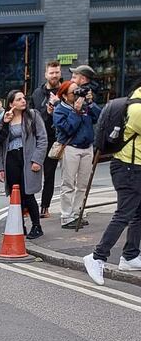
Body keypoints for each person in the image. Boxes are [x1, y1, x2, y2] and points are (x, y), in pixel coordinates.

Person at [83, 81, 141, 284]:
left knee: (137, 214)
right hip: (128, 168)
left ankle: (131, 255)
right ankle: (97, 257)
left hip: (133, 167)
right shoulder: (137, 109)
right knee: (123, 214)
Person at [0, 89, 47, 238]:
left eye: (23, 98)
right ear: (11, 104)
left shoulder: (33, 115)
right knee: (16, 195)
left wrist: (37, 159)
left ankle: (36, 226)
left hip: (28, 158)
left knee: (28, 193)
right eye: (19, 99)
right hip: (11, 159)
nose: (23, 101)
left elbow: (42, 139)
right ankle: (19, 225)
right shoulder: (5, 118)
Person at [52, 79, 100, 229]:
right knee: (68, 183)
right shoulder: (60, 110)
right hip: (71, 148)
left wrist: (90, 103)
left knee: (83, 184)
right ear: (65, 96)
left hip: (87, 148)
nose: (78, 94)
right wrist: (76, 112)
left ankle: (77, 212)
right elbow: (68, 129)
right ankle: (66, 216)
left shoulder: (85, 105)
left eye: (79, 90)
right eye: (74, 92)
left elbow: (98, 117)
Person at [31, 61, 62, 218]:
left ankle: (45, 207)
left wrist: (55, 112)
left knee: (49, 174)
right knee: (31, 172)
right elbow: (33, 116)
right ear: (46, 74)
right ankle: (27, 206)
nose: (54, 75)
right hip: (37, 139)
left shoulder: (66, 92)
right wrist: (47, 112)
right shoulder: (37, 93)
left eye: (57, 72)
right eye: (52, 72)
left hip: (56, 139)